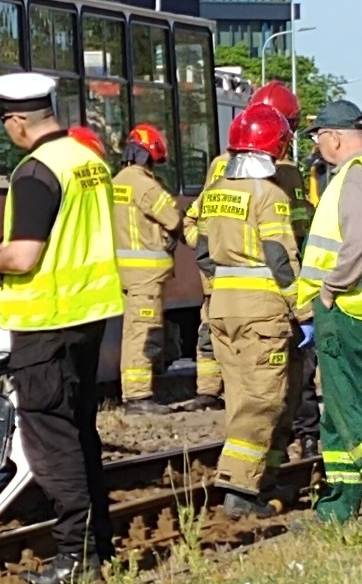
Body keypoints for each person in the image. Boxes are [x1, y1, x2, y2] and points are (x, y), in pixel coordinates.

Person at [0, 72, 123, 583]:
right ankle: (98, 544)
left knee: (51, 440)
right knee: (79, 430)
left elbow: (26, 253)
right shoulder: (88, 161)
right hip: (89, 316)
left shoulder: (35, 172)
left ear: (15, 121)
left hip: (47, 320)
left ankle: (74, 557)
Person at [195, 103, 305, 518]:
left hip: (223, 308)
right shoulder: (270, 195)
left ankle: (264, 480)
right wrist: (304, 311)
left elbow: (203, 252)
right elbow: (280, 259)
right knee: (265, 399)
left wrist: (221, 288)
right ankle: (240, 489)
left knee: (241, 397)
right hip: (264, 312)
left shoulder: (218, 190)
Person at [297, 100, 362, 523]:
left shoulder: (355, 177)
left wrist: (329, 289)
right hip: (357, 308)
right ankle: (340, 504)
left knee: (347, 408)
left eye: (318, 137)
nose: (317, 146)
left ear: (334, 137)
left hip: (347, 309)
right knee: (336, 416)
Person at [248, 81, 319, 459]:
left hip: (248, 293)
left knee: (262, 381)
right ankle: (300, 439)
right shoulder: (288, 176)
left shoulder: (221, 170)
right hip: (283, 285)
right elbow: (300, 234)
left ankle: (278, 448)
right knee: (295, 371)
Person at [112, 124, 182, 415]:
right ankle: (138, 397)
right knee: (144, 332)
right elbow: (173, 218)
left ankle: (133, 393)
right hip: (146, 275)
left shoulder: (116, 181)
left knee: (131, 332)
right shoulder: (144, 184)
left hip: (124, 272)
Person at [181, 153, 228, 411]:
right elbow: (188, 222)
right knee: (208, 336)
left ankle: (222, 390)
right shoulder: (208, 199)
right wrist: (200, 243)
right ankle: (208, 391)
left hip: (230, 283)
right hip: (215, 282)